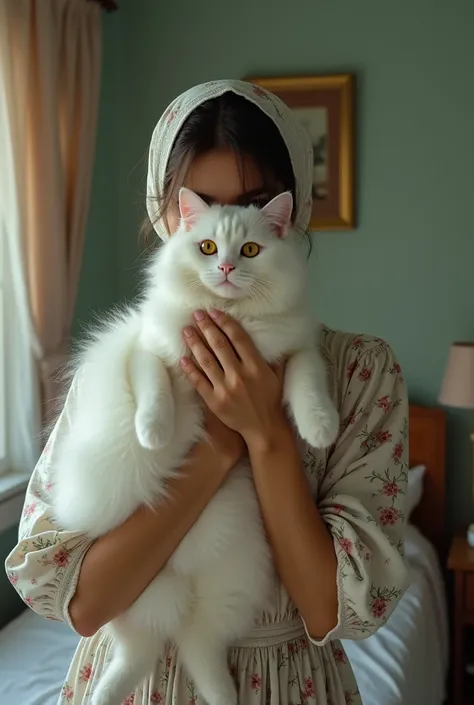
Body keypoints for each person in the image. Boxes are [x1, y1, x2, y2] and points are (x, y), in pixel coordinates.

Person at [5, 79, 409, 705]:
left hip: (285, 686)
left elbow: (335, 612)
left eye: (253, 203)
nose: (227, 244)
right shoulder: (120, 362)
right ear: (170, 218)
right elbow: (83, 604)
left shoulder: (361, 371)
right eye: (201, 208)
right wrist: (218, 446)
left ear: (286, 218)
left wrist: (269, 435)